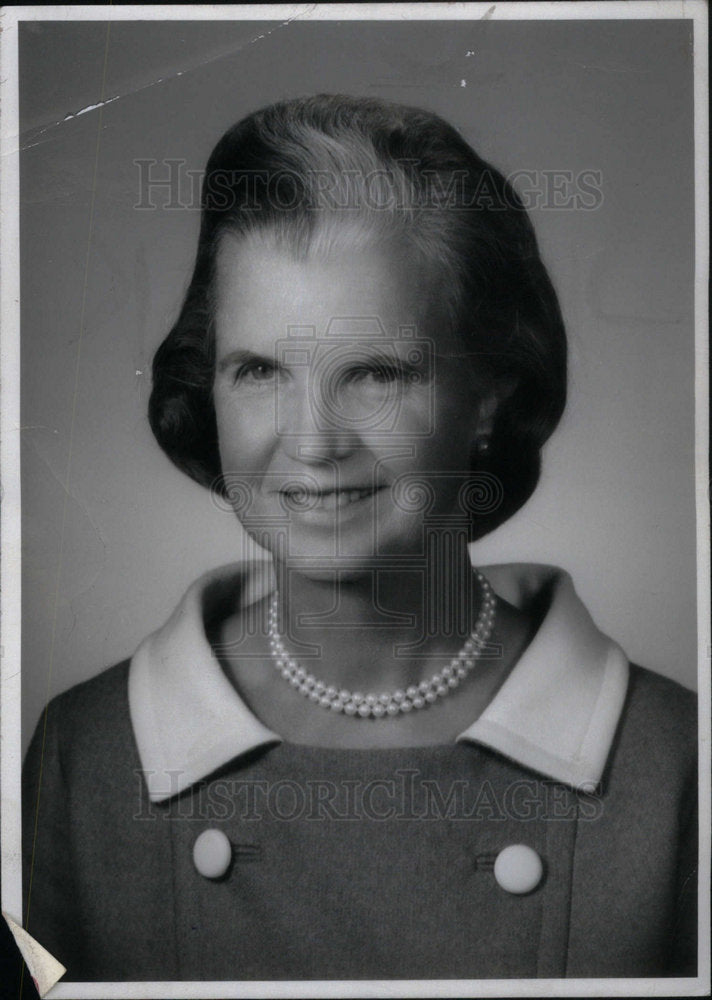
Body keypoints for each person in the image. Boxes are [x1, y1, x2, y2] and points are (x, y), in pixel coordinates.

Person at [22, 94, 697, 982]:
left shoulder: (676, 763)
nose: (311, 443)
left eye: (375, 371)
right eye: (259, 370)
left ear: (490, 392)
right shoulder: (91, 754)